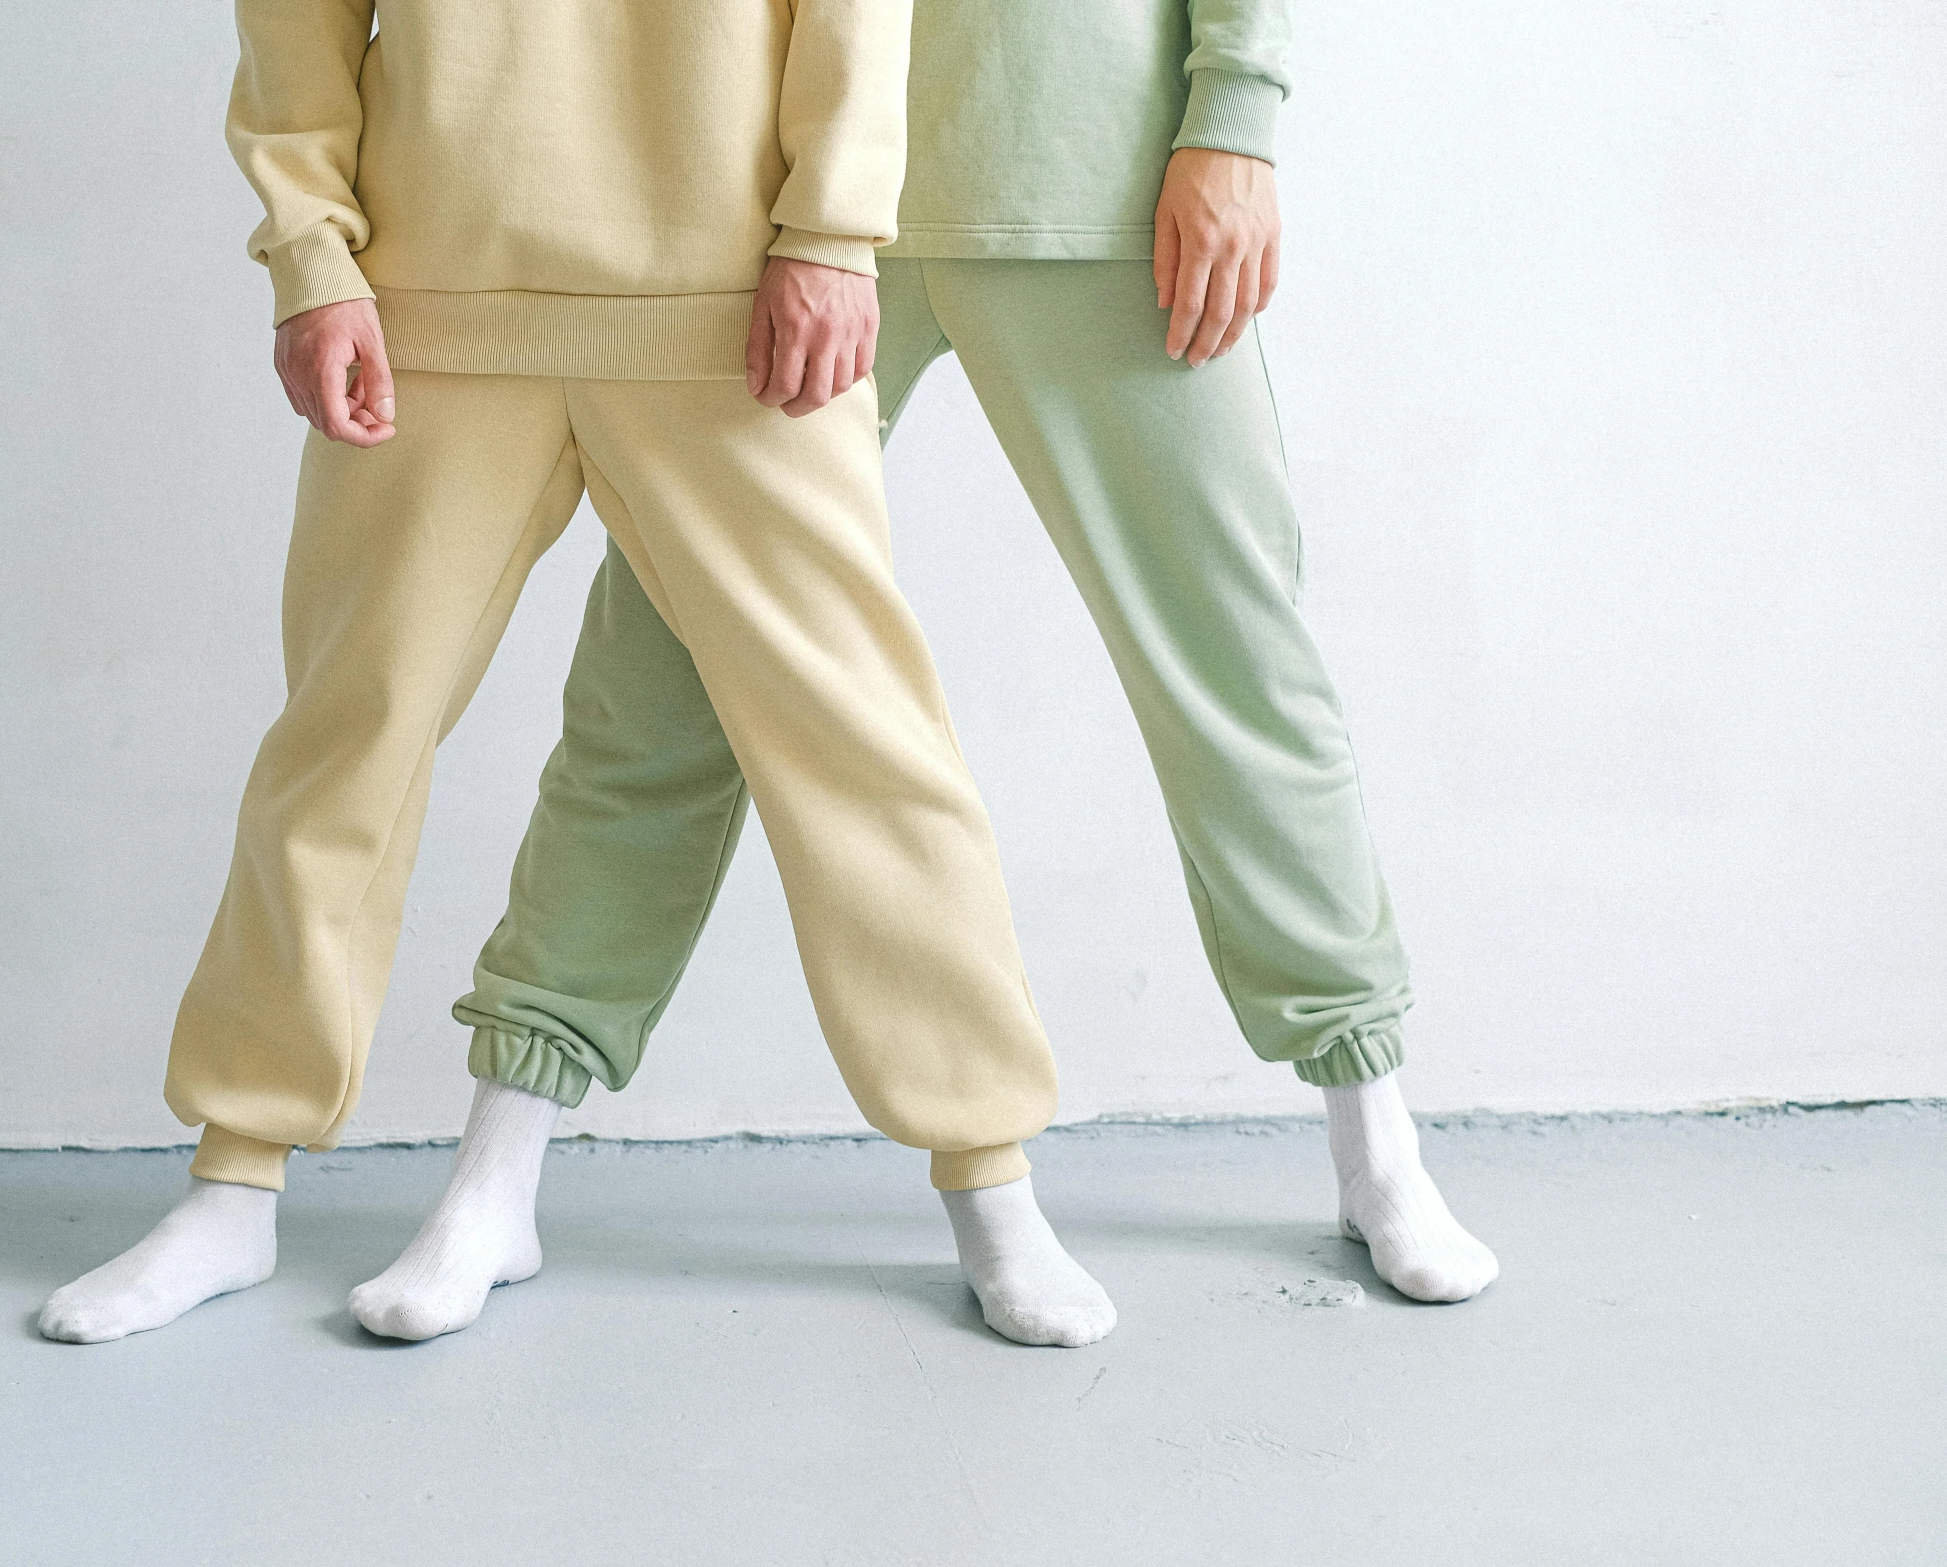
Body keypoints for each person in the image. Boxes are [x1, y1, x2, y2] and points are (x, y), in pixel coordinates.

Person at [36, 0, 1115, 1349]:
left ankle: (990, 1178)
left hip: (734, 302)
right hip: (431, 293)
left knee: (863, 748)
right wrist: (311, 254)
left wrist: (832, 229)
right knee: (346, 739)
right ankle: (233, 1181)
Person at [409, 0, 1500, 1312]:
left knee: (1229, 666)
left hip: (1084, 169)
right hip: (781, 202)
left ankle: (1374, 1137)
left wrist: (1237, 124)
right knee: (659, 680)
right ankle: (499, 1159)